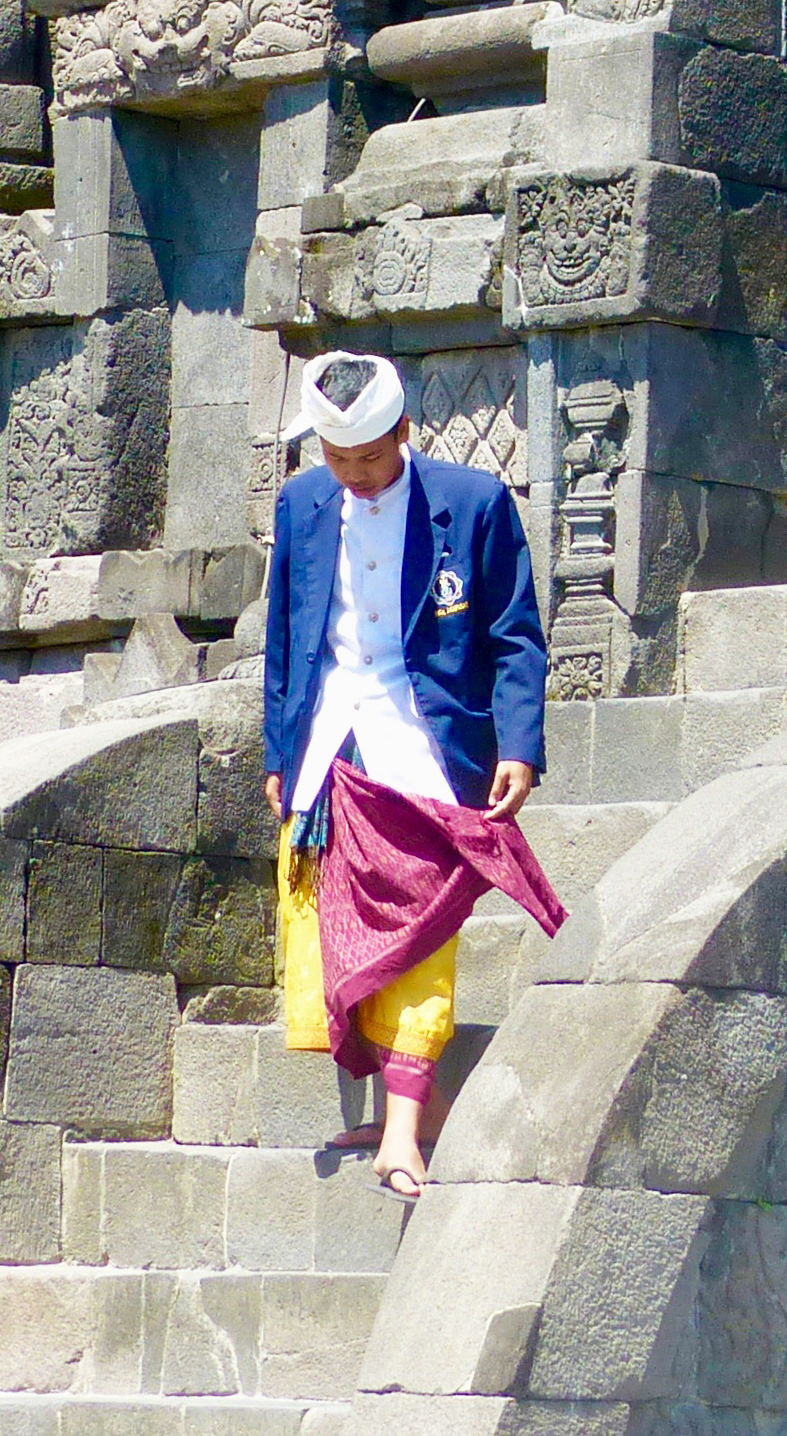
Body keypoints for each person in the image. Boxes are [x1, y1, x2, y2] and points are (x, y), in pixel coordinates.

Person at [262, 349, 552, 1199]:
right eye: (337, 459)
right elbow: (285, 638)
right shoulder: (303, 504)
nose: (354, 475)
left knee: (418, 936)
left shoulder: (473, 505)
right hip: (328, 745)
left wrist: (518, 746)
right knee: (323, 932)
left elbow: (514, 635)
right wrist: (279, 754)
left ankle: (401, 1132)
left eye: (369, 458)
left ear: (404, 433)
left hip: (425, 746)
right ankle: (394, 1102)